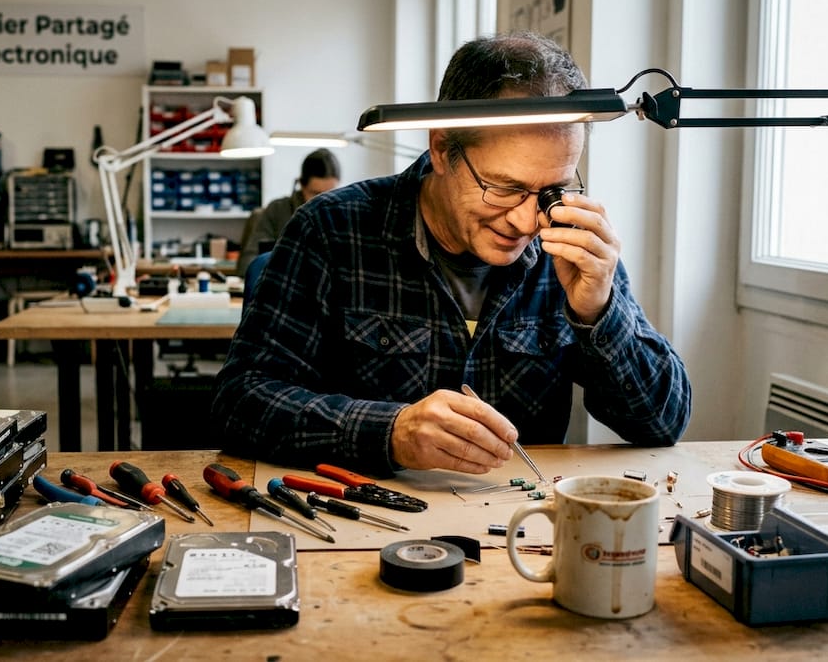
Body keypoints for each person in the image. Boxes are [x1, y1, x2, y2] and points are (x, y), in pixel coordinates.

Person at [213, 32, 691, 476]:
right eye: (504, 188)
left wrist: (598, 311)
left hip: (519, 527)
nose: (527, 222)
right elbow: (241, 403)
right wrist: (390, 432)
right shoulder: (331, 230)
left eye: (551, 190)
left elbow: (663, 424)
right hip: (366, 521)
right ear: (442, 148)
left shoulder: (568, 240)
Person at [236, 148, 342, 276]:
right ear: (302, 185)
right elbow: (250, 262)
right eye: (316, 194)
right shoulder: (277, 210)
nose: (324, 200)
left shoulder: (342, 214)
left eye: (331, 193)